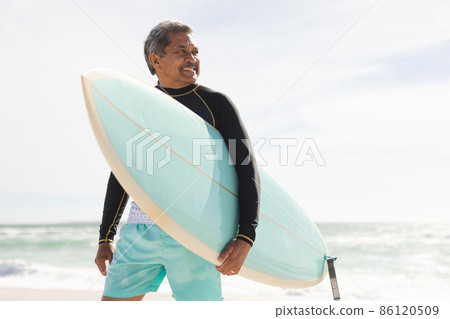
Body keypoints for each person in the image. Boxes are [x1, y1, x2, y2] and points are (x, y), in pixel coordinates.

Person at [94, 20, 260, 301]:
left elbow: (246, 171)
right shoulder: (137, 108)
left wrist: (246, 236)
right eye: (182, 51)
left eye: (195, 52)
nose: (192, 59)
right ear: (155, 59)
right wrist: (105, 236)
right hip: (139, 231)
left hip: (194, 233)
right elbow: (122, 173)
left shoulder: (216, 104)